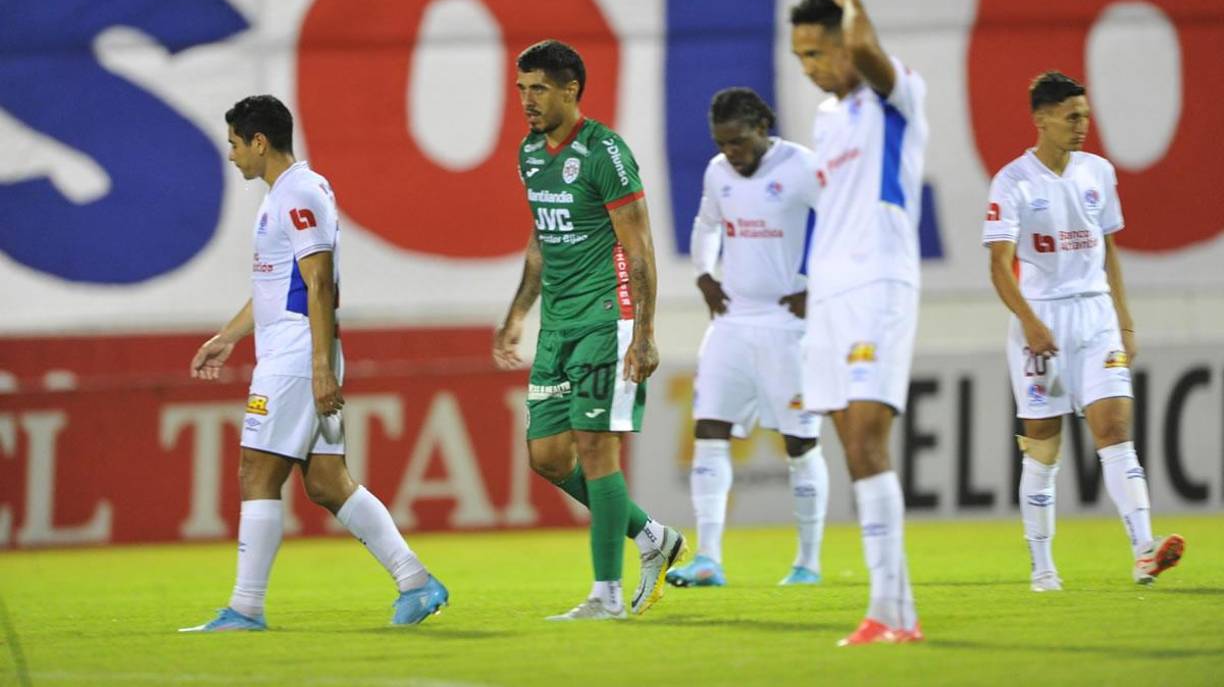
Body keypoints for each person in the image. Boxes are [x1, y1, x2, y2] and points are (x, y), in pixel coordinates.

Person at [181, 95, 447, 632]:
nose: (231, 156)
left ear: (259, 141)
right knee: (327, 481)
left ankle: (246, 608)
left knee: (256, 472)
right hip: (297, 350)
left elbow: (318, 282)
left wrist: (321, 367)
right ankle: (416, 582)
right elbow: (278, 286)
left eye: (235, 144)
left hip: (297, 356)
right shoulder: (287, 193)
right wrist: (228, 337)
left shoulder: (298, 193)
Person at [493, 40, 686, 621]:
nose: (526, 101)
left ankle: (605, 595)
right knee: (548, 456)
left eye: (539, 89)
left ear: (571, 90)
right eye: (521, 89)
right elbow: (541, 241)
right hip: (559, 324)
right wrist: (518, 313)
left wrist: (645, 332)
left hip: (609, 317)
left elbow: (640, 247)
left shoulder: (606, 152)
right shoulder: (530, 153)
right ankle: (651, 535)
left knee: (598, 450)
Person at [982, 71, 1185, 592]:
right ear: (1041, 119)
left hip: (1096, 319)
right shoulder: (1013, 182)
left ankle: (1143, 549)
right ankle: (1043, 568)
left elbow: (1109, 250)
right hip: (1043, 322)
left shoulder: (1098, 172)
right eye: (1072, 117)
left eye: (1086, 116)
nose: (1082, 126)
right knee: (1043, 450)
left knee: (1115, 431)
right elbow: (1000, 265)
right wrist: (1030, 322)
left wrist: (1125, 321)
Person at [789, 0, 926, 646]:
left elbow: (871, 52)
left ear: (845, 43)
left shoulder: (897, 95)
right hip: (831, 293)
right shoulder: (825, 117)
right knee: (853, 450)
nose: (809, 66)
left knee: (870, 440)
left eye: (817, 52)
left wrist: (855, 5)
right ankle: (898, 613)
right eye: (799, 56)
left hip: (879, 283)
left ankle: (886, 608)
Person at [665, 87, 828, 589]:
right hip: (732, 323)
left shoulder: (803, 167)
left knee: (800, 443)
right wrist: (703, 275)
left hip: (787, 329)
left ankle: (807, 563)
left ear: (762, 126)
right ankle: (709, 559)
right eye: (722, 143)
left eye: (738, 142)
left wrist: (817, 290)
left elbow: (846, 226)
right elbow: (706, 223)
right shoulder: (719, 172)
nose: (730, 153)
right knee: (709, 432)